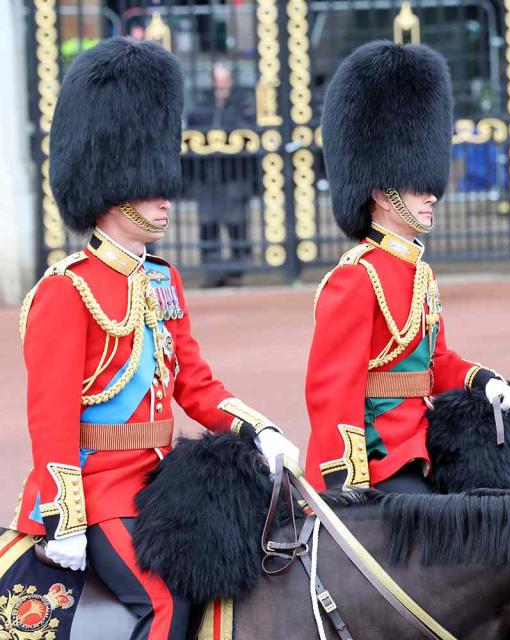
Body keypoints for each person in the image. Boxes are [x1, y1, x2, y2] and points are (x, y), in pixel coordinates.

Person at [11, 38, 299, 639]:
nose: (168, 198)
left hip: (162, 481)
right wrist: (65, 516)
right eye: (151, 187)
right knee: (159, 601)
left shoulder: (161, 280)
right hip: (99, 492)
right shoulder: (66, 290)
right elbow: (51, 415)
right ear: (113, 188)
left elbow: (193, 381)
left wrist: (257, 427)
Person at [305, 41, 510, 494]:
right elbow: (334, 390)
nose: (432, 195)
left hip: (425, 442)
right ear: (382, 194)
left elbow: (435, 363)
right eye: (418, 187)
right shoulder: (355, 278)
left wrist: (482, 380)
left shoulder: (419, 272)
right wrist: (347, 480)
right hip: (381, 458)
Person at [185, 63, 257, 284]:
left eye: (225, 80)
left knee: (236, 222)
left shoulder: (241, 102)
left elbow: (247, 129)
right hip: (207, 175)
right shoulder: (203, 103)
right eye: (218, 80)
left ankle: (237, 268)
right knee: (208, 223)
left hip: (234, 173)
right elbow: (194, 124)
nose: (222, 85)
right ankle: (213, 270)